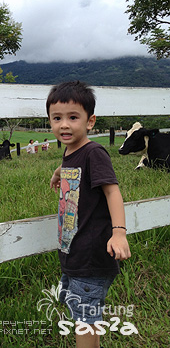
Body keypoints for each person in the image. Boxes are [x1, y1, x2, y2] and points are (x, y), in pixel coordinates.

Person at [46, 81, 131, 348]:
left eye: (73, 117)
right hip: (76, 252)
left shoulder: (94, 153)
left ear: (90, 121)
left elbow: (112, 192)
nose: (64, 125)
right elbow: (71, 166)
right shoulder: (71, 152)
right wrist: (58, 172)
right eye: (57, 118)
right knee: (87, 318)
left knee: (84, 321)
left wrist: (119, 233)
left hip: (92, 254)